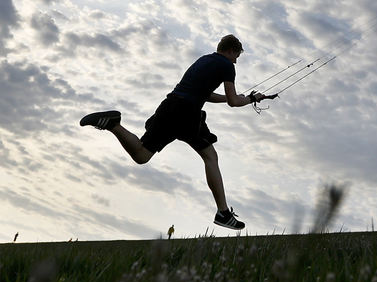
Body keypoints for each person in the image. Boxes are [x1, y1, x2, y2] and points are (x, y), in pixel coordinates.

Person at [79, 34, 271, 230]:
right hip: (187, 113)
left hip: (170, 106)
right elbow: (234, 102)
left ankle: (113, 125)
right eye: (237, 56)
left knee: (142, 155)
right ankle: (223, 213)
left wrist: (237, 97)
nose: (236, 61)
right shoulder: (227, 66)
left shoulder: (204, 60)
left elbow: (207, 94)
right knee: (210, 156)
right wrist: (252, 99)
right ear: (231, 50)